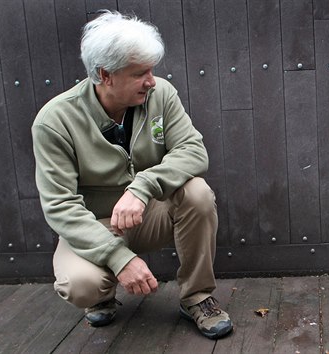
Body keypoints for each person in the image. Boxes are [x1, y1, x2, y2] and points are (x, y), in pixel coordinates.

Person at [31, 10, 233, 339]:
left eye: (151, 71)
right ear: (105, 75)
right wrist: (119, 258)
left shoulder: (160, 94)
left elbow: (193, 151)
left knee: (197, 193)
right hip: (94, 224)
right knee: (81, 285)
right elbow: (60, 205)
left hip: (148, 214)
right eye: (140, 73)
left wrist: (142, 187)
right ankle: (101, 296)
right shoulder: (54, 121)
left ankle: (197, 297)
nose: (151, 81)